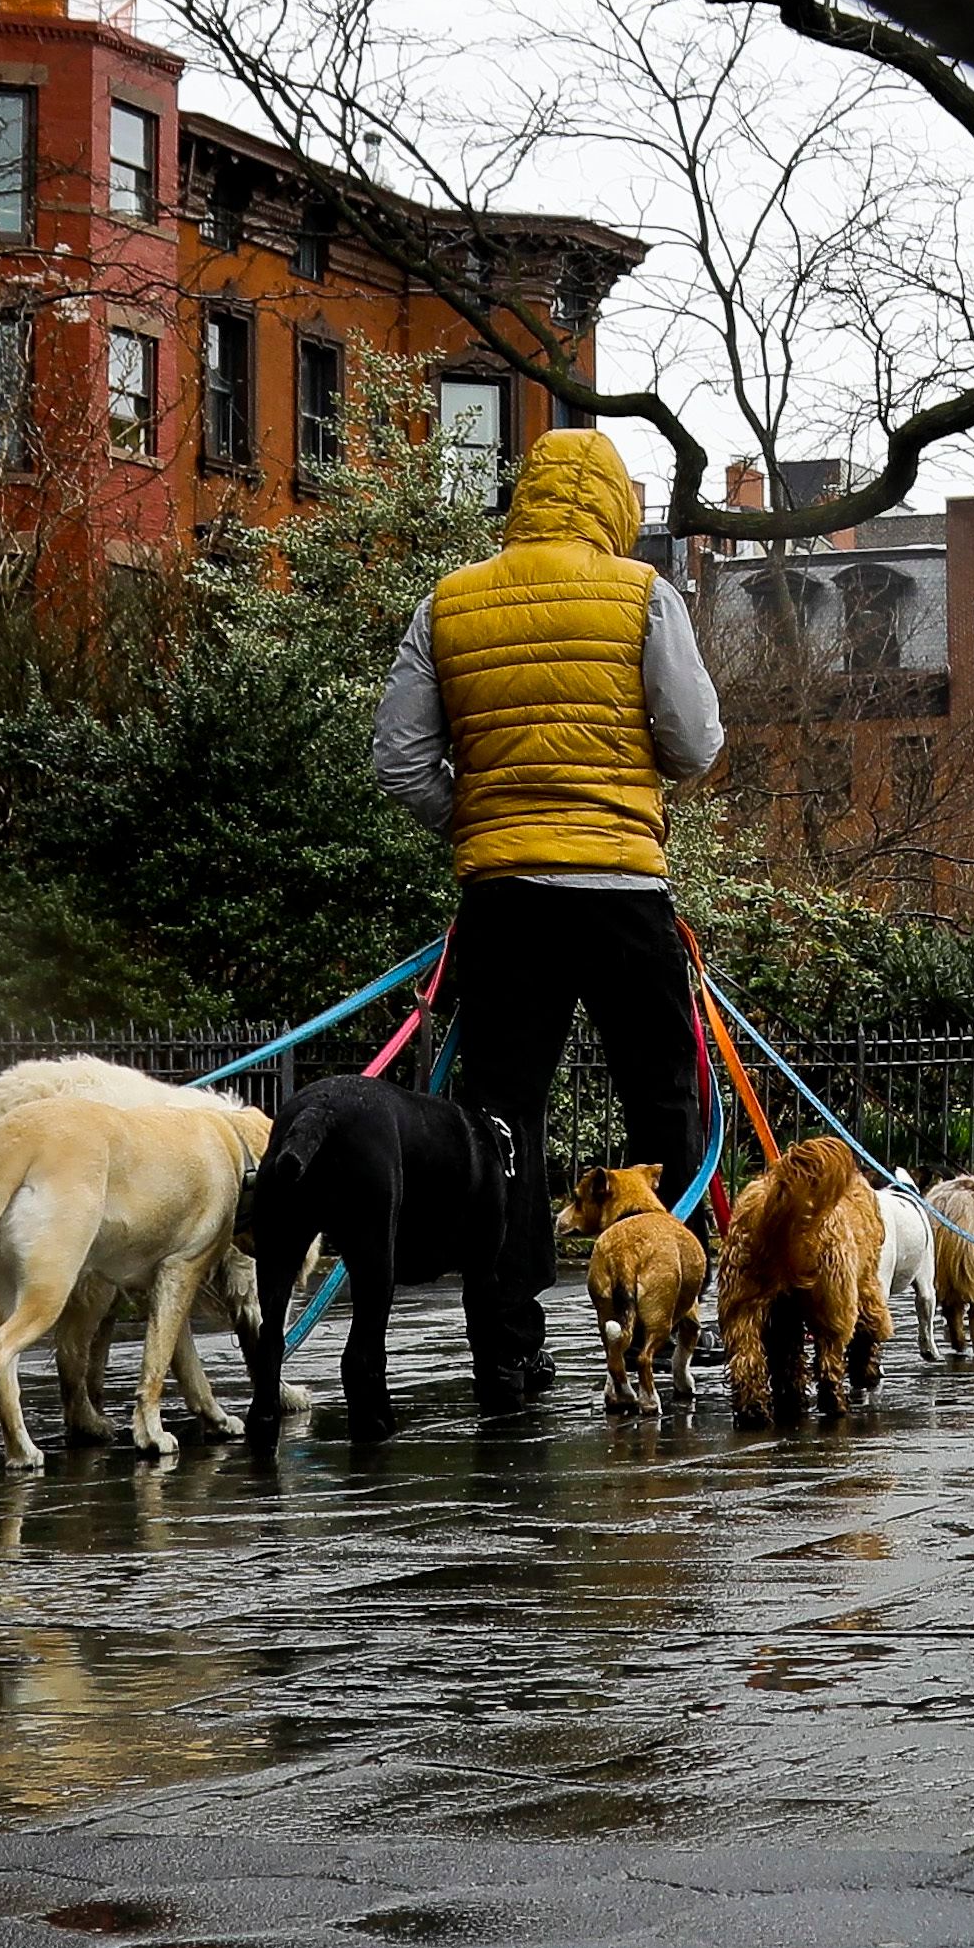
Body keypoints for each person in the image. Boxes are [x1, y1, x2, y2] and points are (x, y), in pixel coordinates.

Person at [370, 428, 726, 1412]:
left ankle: (509, 1351)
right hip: (624, 894)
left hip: (506, 902)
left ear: (524, 497)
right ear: (612, 503)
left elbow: (398, 758)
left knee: (501, 1120)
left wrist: (482, 818)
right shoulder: (643, 593)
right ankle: (692, 1311)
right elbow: (694, 742)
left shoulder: (450, 601)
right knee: (663, 1104)